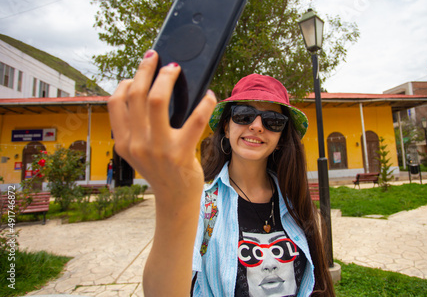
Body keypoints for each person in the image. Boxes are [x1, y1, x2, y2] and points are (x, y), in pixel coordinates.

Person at [108, 50, 335, 296]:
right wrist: (174, 200)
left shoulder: (296, 204)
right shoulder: (203, 206)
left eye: (273, 121)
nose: (257, 126)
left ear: (281, 138)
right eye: (244, 115)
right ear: (226, 127)